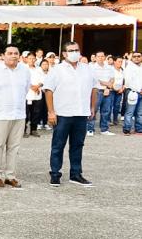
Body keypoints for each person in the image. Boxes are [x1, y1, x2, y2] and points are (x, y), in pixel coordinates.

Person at [44, 42, 98, 187]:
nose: (75, 52)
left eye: (77, 50)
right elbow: (48, 91)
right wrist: (51, 112)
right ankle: (55, 174)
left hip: (81, 113)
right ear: (64, 53)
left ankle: (76, 174)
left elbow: (94, 88)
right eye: (71, 50)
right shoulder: (57, 70)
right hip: (63, 113)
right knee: (58, 145)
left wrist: (92, 107)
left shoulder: (87, 69)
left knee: (78, 145)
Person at [0, 46, 30, 188]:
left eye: (16, 53)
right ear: (4, 55)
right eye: (10, 53)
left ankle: (10, 175)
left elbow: (25, 89)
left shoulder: (24, 71)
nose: (13, 56)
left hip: (18, 114)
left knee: (14, 147)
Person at [88, 51, 115, 136]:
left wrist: (108, 87)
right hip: (97, 91)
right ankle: (90, 129)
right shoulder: (91, 67)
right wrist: (107, 84)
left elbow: (112, 78)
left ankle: (104, 129)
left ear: (104, 57)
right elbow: (95, 80)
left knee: (106, 111)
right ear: (95, 58)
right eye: (99, 56)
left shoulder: (109, 67)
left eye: (102, 56)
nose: (101, 58)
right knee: (93, 110)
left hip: (107, 91)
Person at [24, 52, 46, 137]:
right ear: (26, 59)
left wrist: (37, 87)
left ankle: (33, 129)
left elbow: (43, 79)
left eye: (33, 58)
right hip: (27, 94)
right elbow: (24, 80)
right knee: (26, 113)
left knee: (36, 113)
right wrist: (33, 87)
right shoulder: (24, 68)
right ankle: (24, 130)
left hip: (37, 93)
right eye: (30, 58)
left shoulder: (39, 69)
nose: (32, 60)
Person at [122, 52, 142, 135]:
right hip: (132, 92)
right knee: (130, 111)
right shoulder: (129, 68)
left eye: (139, 56)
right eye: (134, 56)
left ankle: (139, 129)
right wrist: (139, 89)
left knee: (140, 112)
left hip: (141, 92)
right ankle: (127, 128)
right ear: (132, 58)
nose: (137, 58)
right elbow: (128, 82)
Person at [111, 57, 125, 126]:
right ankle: (108, 120)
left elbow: (124, 81)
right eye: (119, 61)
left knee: (117, 106)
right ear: (114, 62)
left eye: (121, 62)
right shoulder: (111, 70)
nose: (120, 63)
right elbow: (109, 80)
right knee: (109, 106)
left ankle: (115, 119)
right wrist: (114, 88)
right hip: (112, 90)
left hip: (120, 91)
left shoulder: (122, 70)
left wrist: (122, 88)